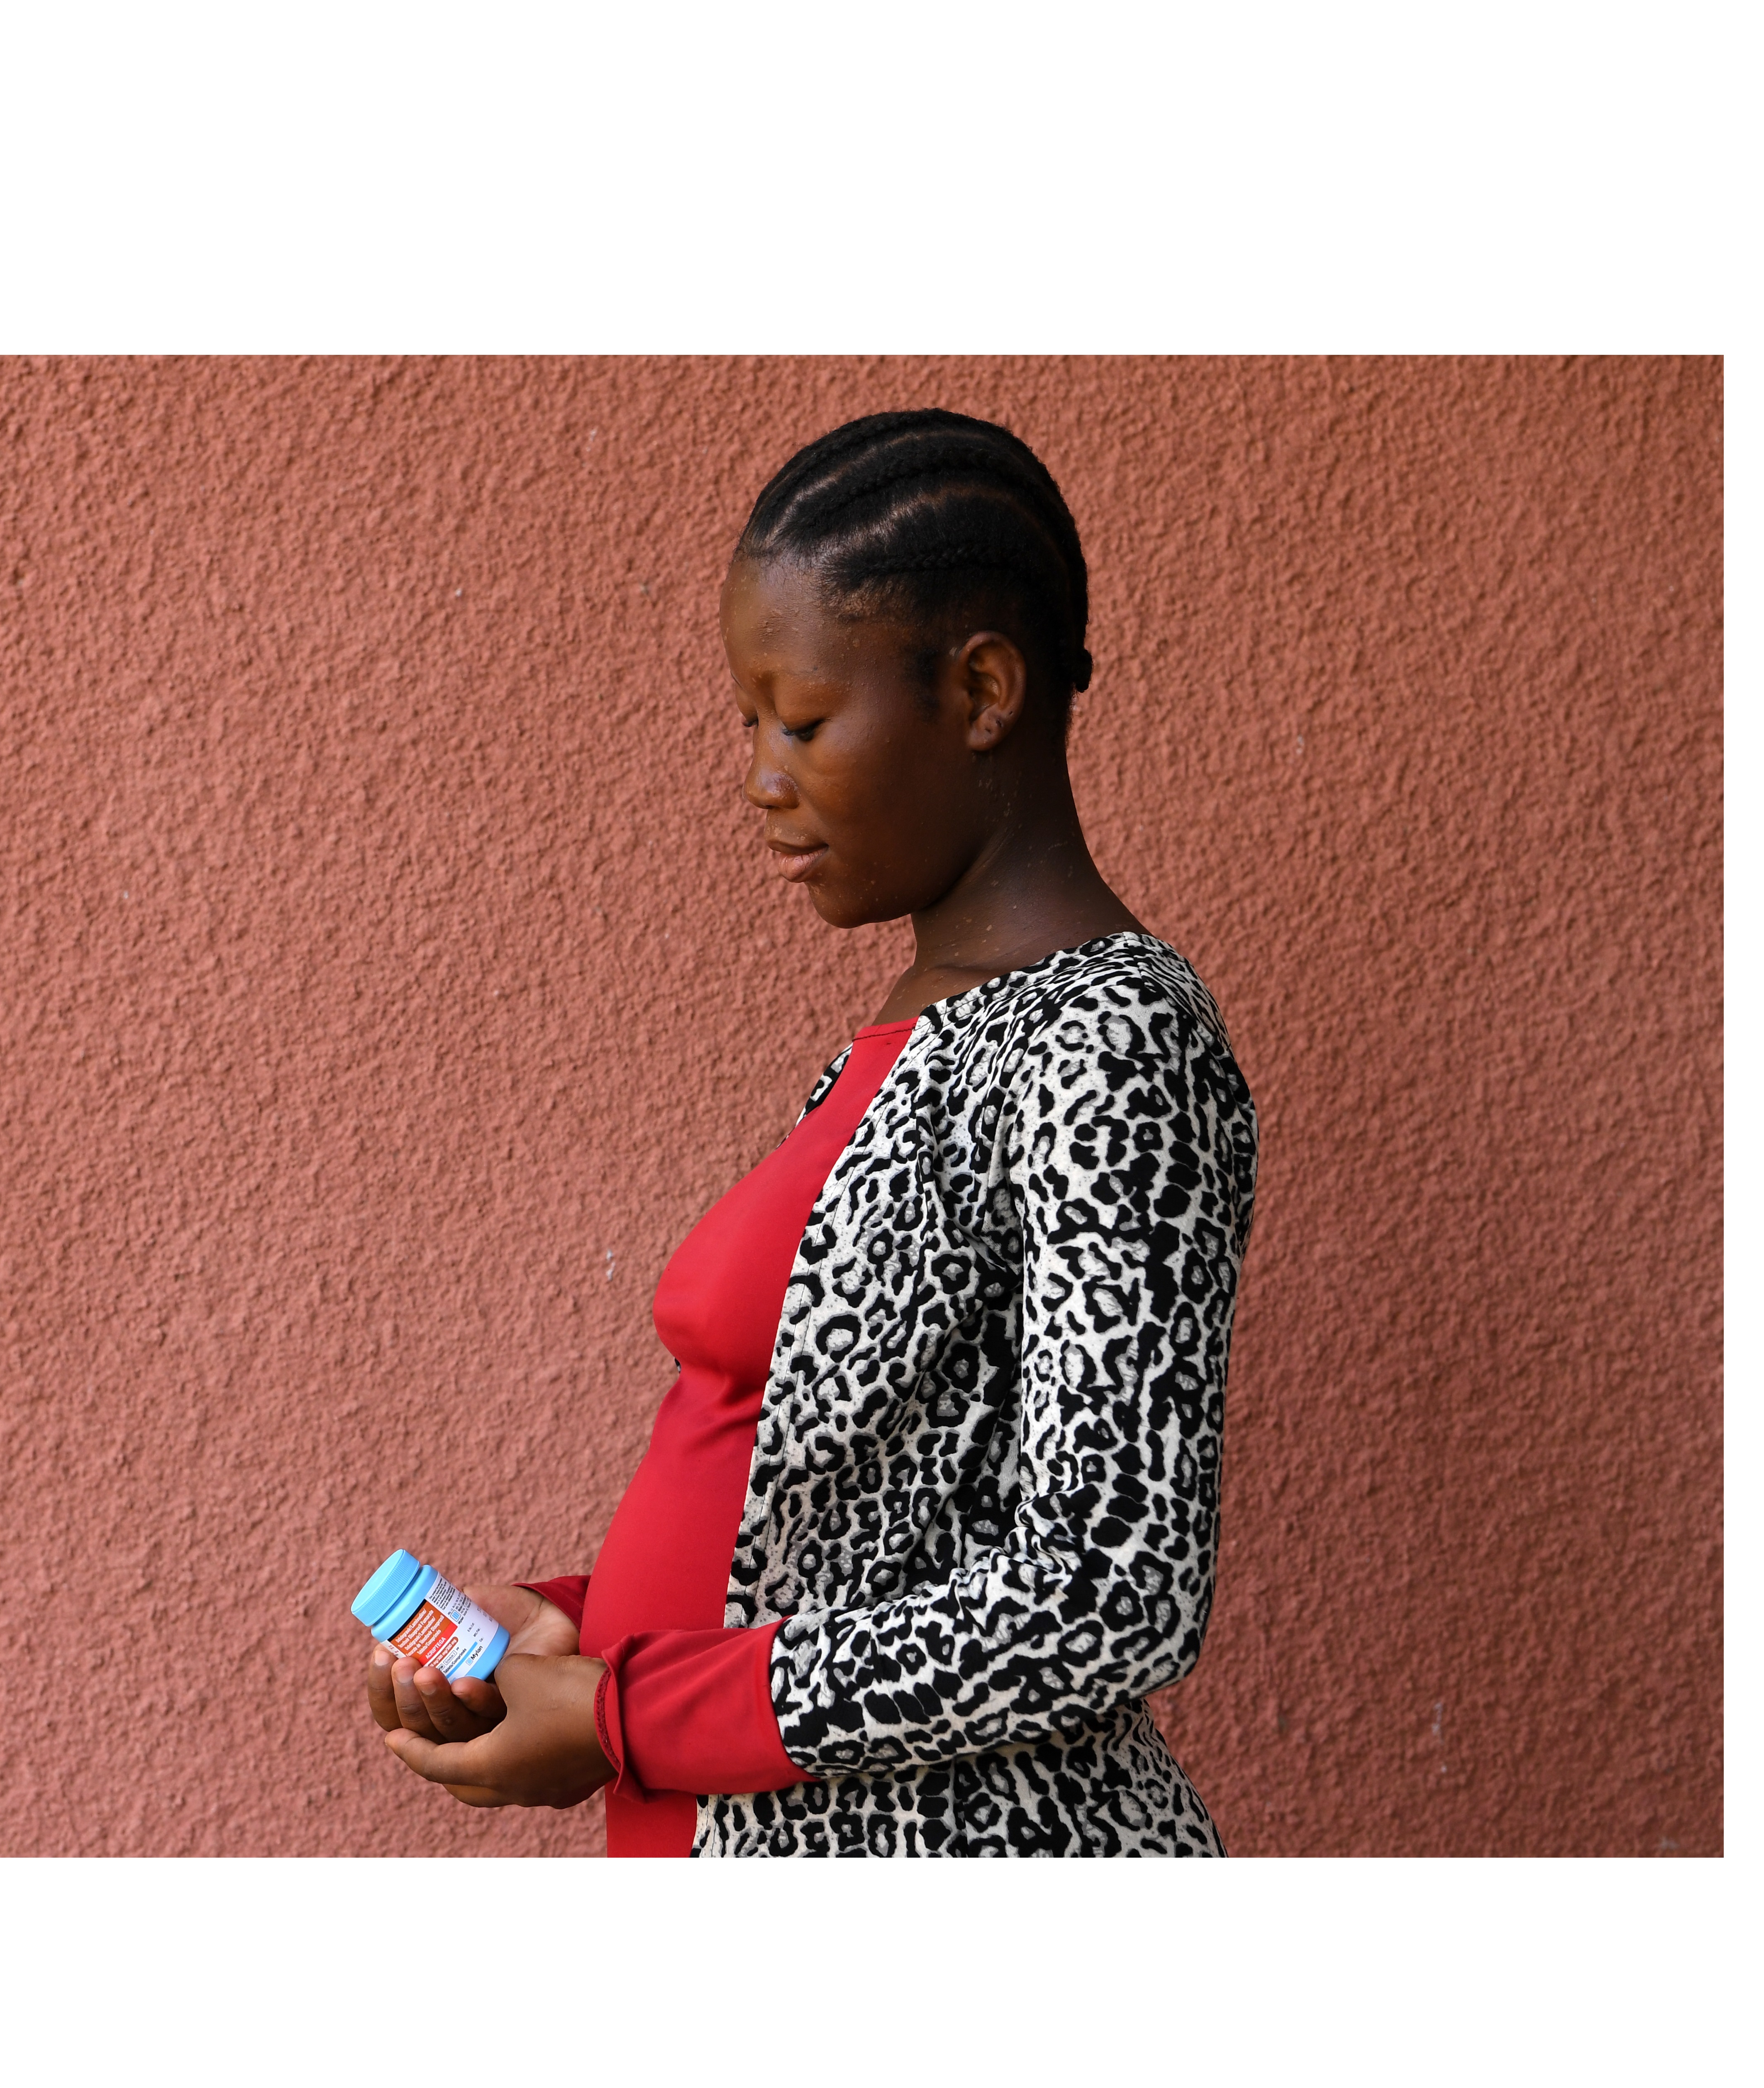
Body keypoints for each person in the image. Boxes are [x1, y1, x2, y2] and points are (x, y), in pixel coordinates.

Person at [363, 409, 1259, 1856]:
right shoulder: (929, 1033)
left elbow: (1104, 1594)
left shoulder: (1112, 1041)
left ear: (980, 692)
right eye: (748, 722)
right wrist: (581, 1634)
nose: (762, 776)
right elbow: (859, 1511)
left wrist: (621, 1713)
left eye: (803, 717)